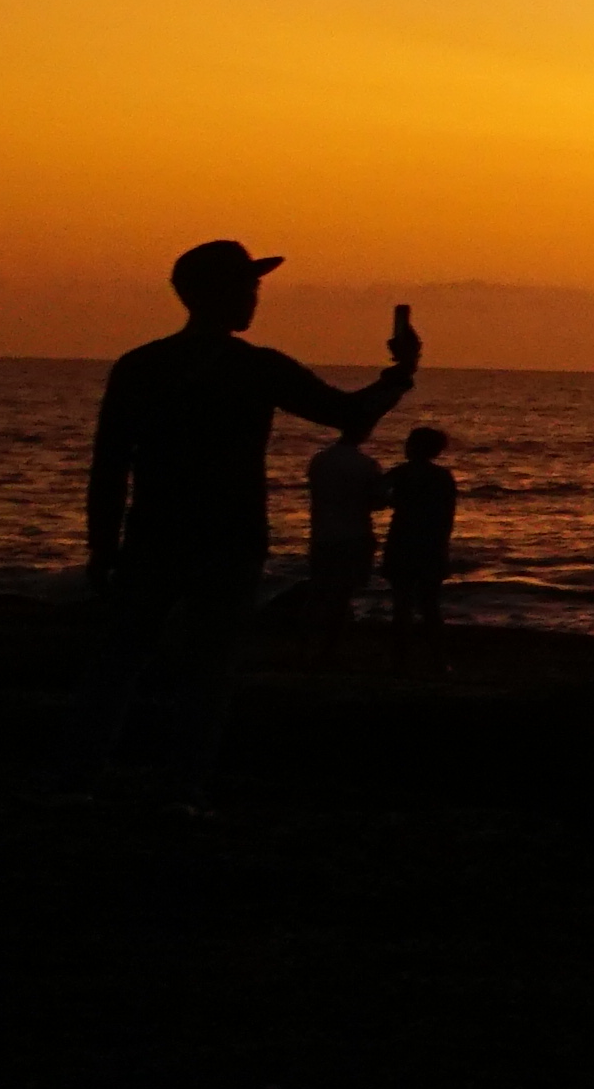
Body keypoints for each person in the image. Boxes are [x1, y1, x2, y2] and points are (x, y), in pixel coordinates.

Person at [85, 244, 415, 781]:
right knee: (208, 670)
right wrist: (401, 375)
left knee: (121, 661)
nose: (254, 299)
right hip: (229, 537)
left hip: (154, 533)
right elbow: (348, 415)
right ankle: (183, 786)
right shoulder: (254, 368)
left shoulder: (141, 366)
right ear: (221, 293)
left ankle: (87, 774)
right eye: (248, 288)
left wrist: (102, 545)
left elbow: (110, 464)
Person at [301, 410, 391, 658]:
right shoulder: (366, 464)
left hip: (322, 533)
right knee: (342, 594)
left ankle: (306, 643)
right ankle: (331, 647)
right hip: (354, 533)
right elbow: (377, 501)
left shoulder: (319, 460)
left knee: (318, 591)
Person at [380, 425, 461, 670]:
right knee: (429, 604)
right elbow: (448, 516)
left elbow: (374, 497)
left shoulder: (399, 473)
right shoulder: (443, 477)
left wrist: (395, 501)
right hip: (431, 544)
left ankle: (399, 659)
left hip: (402, 542)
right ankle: (437, 659)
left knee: (402, 604)